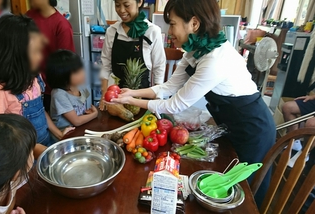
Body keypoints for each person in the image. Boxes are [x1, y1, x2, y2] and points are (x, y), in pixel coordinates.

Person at [111, 0, 275, 207]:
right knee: (224, 184)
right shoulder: (194, 52)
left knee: (243, 191)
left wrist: (134, 101)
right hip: (230, 125)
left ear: (194, 24)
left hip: (253, 130)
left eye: (172, 24)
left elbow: (174, 105)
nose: (169, 31)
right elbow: (169, 87)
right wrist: (131, 93)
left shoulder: (214, 59)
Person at [0, 15, 74, 147]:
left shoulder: (34, 79)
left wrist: (59, 134)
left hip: (45, 143)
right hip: (23, 156)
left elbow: (41, 111)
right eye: (36, 51)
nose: (41, 56)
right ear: (15, 55)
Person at [99, 0, 166, 110]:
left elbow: (159, 67)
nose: (121, 10)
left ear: (139, 2)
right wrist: (104, 95)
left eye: (126, 5)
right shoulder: (112, 31)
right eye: (117, 5)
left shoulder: (152, 31)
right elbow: (105, 65)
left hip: (143, 97)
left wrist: (157, 100)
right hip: (115, 97)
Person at [26, 0, 75, 112]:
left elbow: (65, 64)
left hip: (49, 89)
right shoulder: (28, 17)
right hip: (28, 86)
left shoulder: (62, 25)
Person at [46, 50, 98, 129]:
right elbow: (76, 121)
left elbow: (81, 101)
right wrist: (94, 114)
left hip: (79, 128)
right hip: (65, 135)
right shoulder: (59, 94)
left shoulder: (80, 86)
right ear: (63, 76)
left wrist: (86, 113)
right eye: (77, 71)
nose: (83, 73)